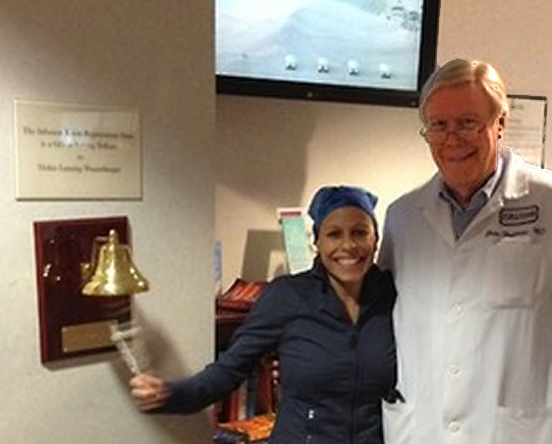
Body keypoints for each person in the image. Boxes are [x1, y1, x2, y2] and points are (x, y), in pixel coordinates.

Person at [378, 58, 552, 444]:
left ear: (500, 123)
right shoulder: (403, 218)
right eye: (439, 126)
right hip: (421, 431)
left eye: (467, 123)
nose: (452, 139)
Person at [130, 185, 397, 444]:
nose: (348, 245)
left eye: (360, 232)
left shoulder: (394, 297)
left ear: (375, 241)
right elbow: (229, 370)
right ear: (317, 242)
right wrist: (171, 394)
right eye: (334, 234)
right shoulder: (287, 297)